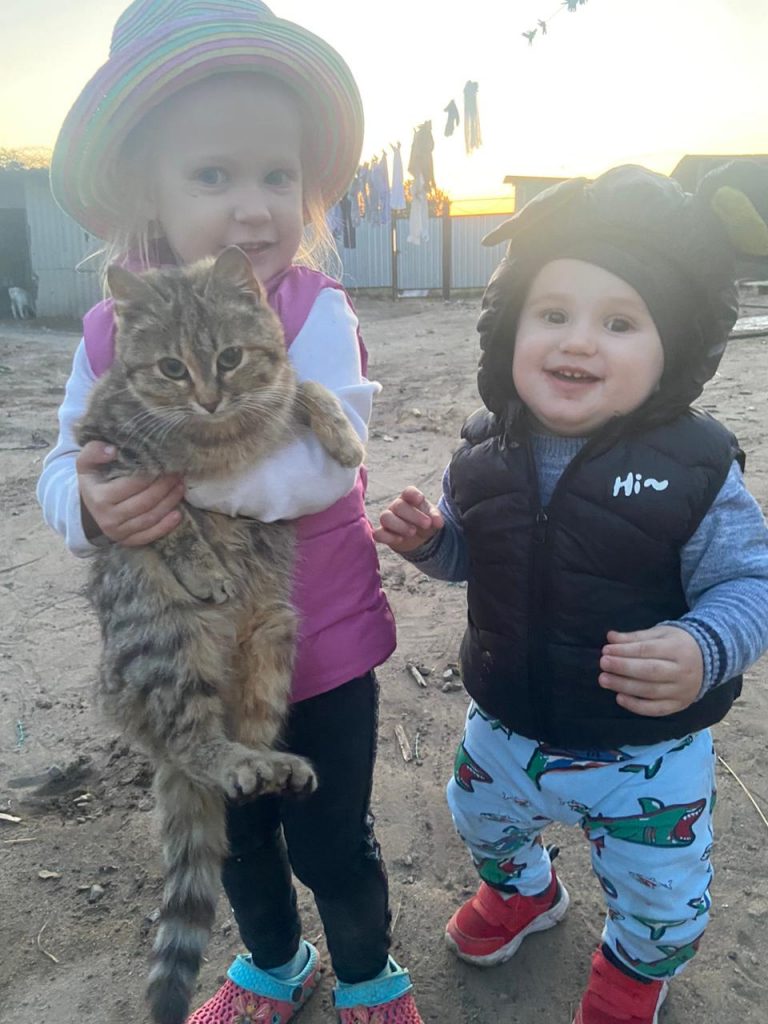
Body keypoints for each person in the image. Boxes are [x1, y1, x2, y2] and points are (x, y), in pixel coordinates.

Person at [37, 3, 424, 1022]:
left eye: (277, 176)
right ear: (147, 192)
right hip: (195, 651)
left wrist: (176, 481)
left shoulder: (313, 309)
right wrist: (91, 500)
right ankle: (273, 962)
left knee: (331, 838)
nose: (254, 209)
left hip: (322, 643)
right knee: (238, 833)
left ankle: (370, 973)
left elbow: (322, 464)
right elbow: (63, 460)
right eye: (213, 176)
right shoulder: (112, 326)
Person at [375, 162, 768, 1024]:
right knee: (478, 816)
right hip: (507, 720)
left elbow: (749, 582)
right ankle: (524, 892)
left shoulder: (697, 469)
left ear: (672, 347)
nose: (578, 342)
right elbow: (471, 554)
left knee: (661, 884)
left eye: (620, 322)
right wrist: (431, 540)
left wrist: (704, 647)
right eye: (552, 315)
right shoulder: (482, 453)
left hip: (644, 750)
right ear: (510, 328)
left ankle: (637, 964)